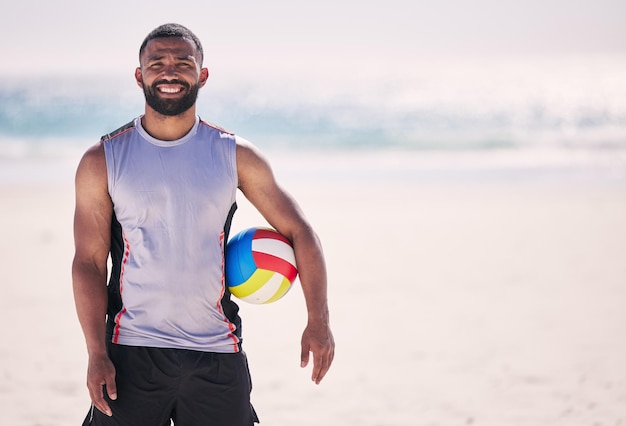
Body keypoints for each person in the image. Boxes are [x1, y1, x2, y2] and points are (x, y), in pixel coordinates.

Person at [72, 23, 335, 425]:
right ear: (140, 75)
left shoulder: (234, 155)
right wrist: (96, 353)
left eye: (183, 62)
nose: (170, 71)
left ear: (202, 75)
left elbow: (301, 232)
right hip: (131, 353)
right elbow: (89, 263)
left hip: (217, 352)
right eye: (157, 62)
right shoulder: (103, 160)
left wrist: (318, 320)